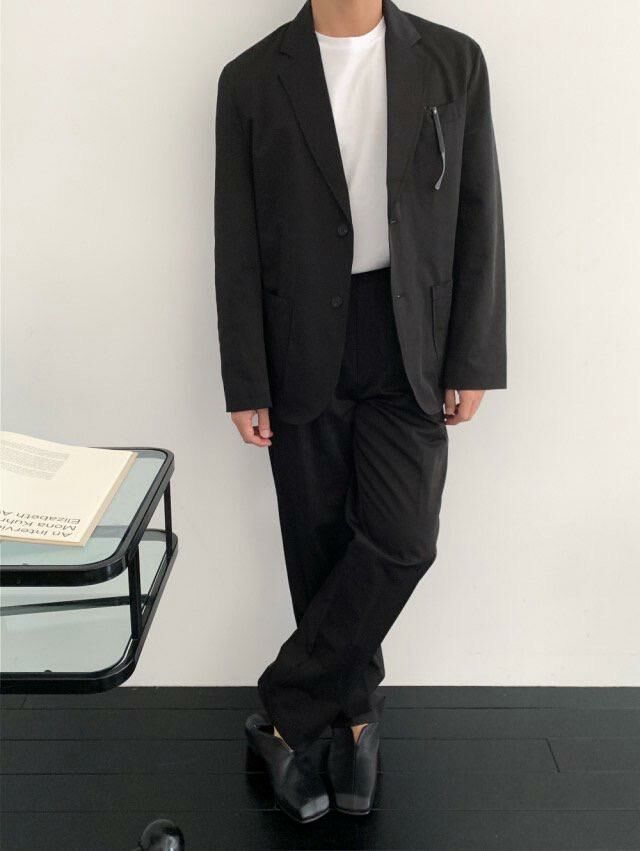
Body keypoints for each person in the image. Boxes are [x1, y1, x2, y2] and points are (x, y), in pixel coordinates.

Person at [214, 0, 505, 824]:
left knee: (403, 538)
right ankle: (353, 719)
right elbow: (235, 238)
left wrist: (473, 356)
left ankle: (282, 711)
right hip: (299, 336)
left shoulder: (454, 61)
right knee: (318, 545)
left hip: (410, 331)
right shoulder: (250, 79)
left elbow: (479, 208)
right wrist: (246, 376)